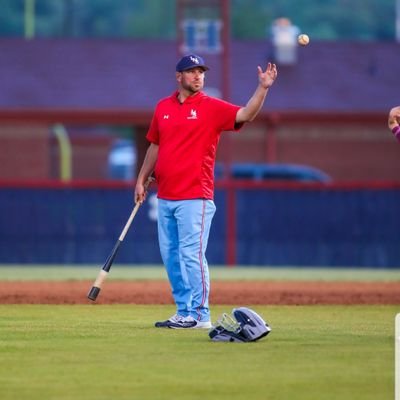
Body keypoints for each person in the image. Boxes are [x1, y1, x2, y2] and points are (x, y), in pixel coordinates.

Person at [134, 54, 278, 329]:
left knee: (191, 255)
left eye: (201, 72)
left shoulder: (211, 107)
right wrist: (141, 179)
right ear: (179, 77)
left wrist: (263, 88)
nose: (198, 76)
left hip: (195, 197)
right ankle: (183, 311)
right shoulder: (162, 107)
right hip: (165, 196)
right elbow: (155, 145)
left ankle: (200, 315)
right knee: (172, 257)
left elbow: (246, 114)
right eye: (192, 72)